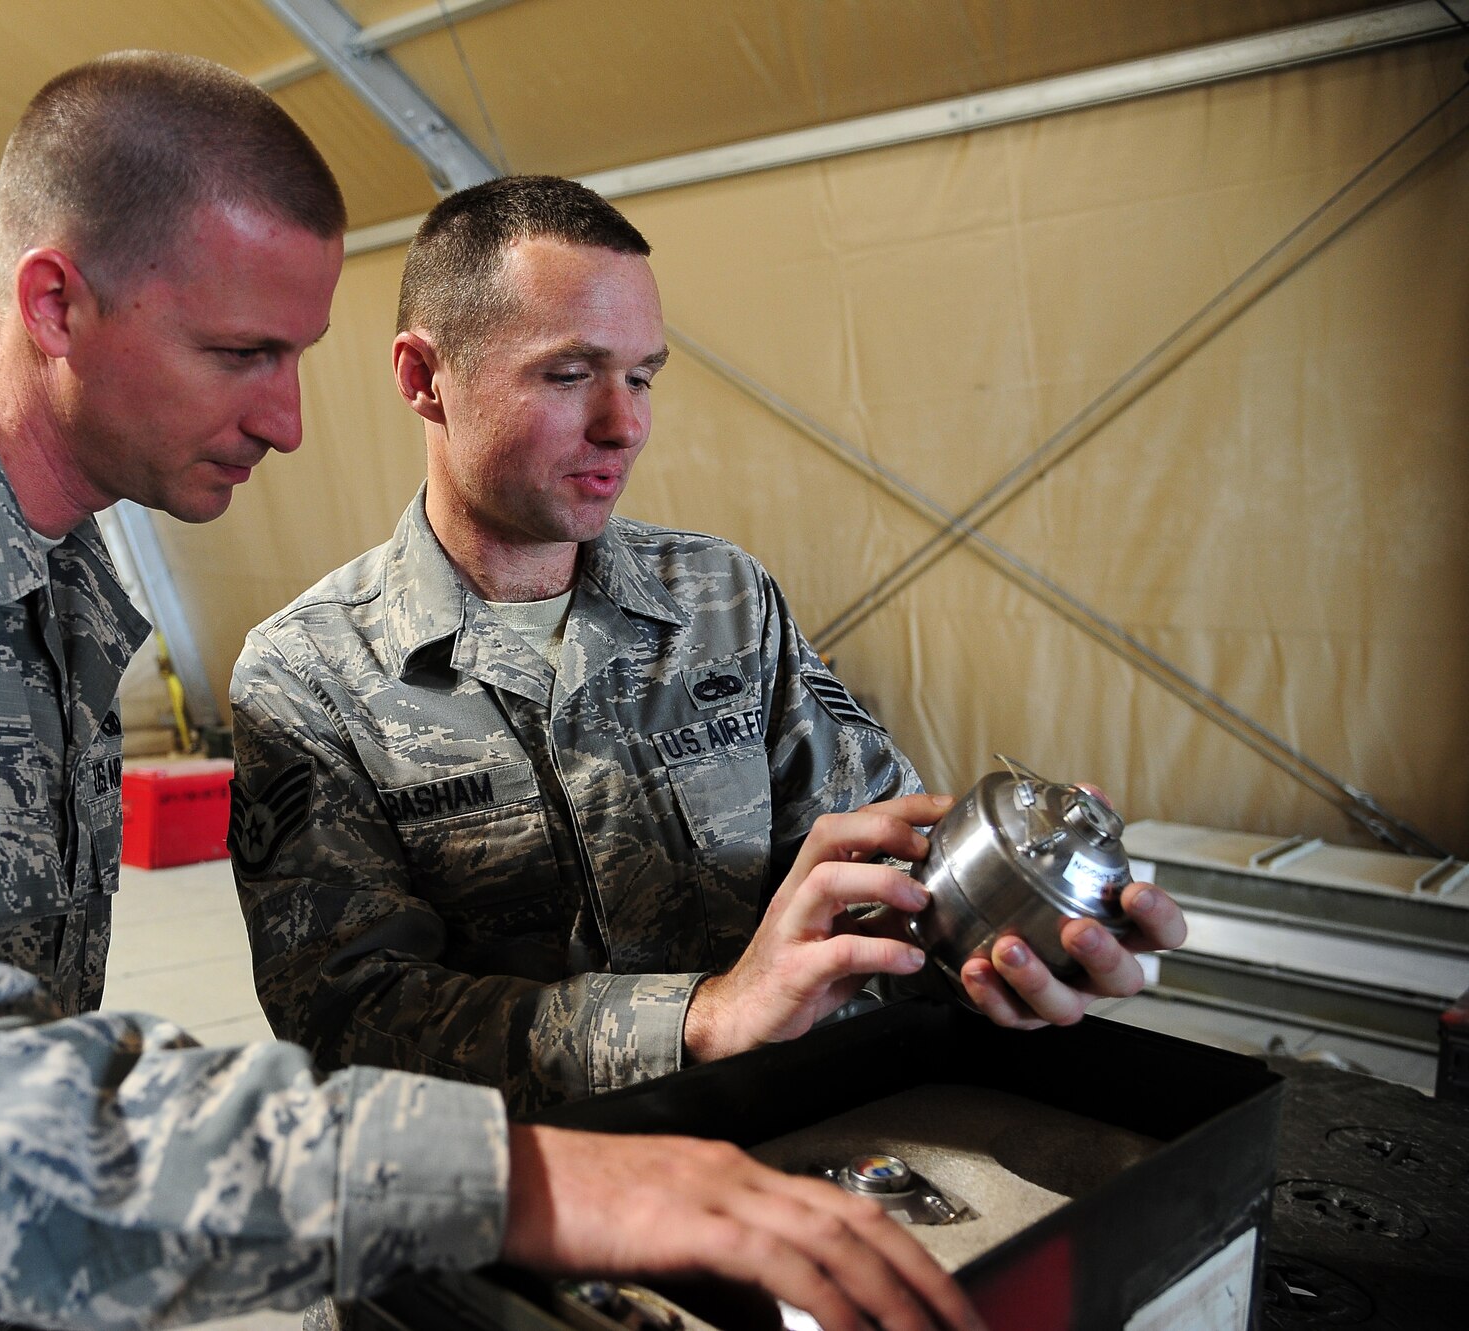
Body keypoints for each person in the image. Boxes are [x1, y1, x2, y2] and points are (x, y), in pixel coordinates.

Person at [0, 56, 981, 1331]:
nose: (286, 419)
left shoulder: (50, 589)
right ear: (56, 300)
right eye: (242, 352)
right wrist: (516, 1172)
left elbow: (9, 1046)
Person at [229, 175, 1187, 1117]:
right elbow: (350, 1023)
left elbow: (883, 882)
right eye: (569, 375)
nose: (625, 424)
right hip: (531, 1188)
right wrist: (704, 1017)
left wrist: (1014, 934)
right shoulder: (310, 675)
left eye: (642, 376)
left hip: (785, 1142)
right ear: (422, 378)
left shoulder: (721, 599)